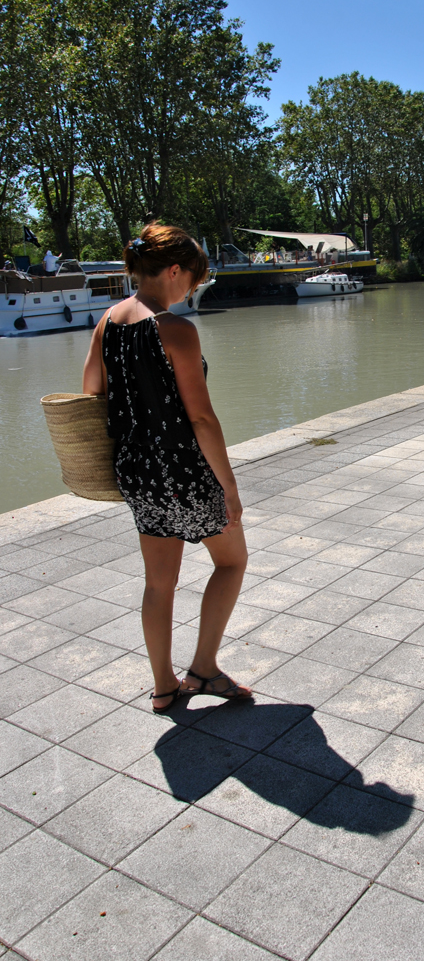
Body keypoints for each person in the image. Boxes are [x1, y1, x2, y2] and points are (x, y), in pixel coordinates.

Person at [83, 224, 251, 713]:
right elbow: (201, 418)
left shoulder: (107, 321)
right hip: (185, 470)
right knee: (232, 561)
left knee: (158, 582)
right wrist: (229, 486)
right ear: (174, 271)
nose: (193, 288)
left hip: (138, 470)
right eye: (194, 279)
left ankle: (163, 686)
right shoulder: (175, 329)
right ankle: (204, 669)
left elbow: (92, 390)